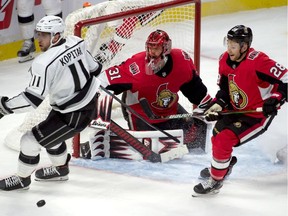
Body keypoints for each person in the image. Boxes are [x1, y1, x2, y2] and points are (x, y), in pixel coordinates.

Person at [0, 15, 102, 191]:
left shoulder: (44, 62)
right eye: (39, 34)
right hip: (83, 103)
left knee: (29, 141)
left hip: (74, 112)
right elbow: (96, 68)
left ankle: (22, 179)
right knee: (51, 136)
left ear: (55, 36)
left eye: (44, 35)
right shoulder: (77, 41)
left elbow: (31, 100)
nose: (39, 39)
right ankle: (61, 169)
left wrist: (4, 107)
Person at [193, 25, 287, 196]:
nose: (229, 49)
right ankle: (223, 168)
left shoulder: (258, 61)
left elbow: (286, 78)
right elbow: (224, 89)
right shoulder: (223, 60)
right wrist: (218, 104)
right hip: (235, 109)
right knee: (217, 134)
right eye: (228, 43)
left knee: (223, 140)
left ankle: (215, 180)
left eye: (234, 45)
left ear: (244, 46)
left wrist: (275, 99)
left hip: (256, 115)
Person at [97, 29, 212, 149]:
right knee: (156, 148)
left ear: (166, 48)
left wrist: (210, 105)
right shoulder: (135, 66)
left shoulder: (181, 60)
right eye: (149, 48)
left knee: (197, 137)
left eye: (156, 48)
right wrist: (99, 117)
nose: (151, 52)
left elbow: (194, 89)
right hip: (141, 114)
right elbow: (103, 80)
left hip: (169, 111)